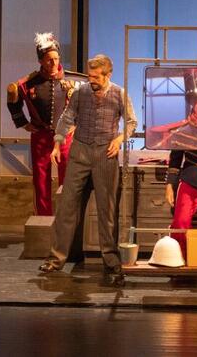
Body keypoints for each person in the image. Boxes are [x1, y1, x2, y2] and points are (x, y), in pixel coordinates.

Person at [39, 54, 136, 287]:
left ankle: (111, 262)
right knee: (67, 206)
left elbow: (132, 122)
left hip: (105, 154)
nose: (91, 80)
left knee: (107, 210)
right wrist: (57, 143)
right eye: (90, 76)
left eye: (96, 77)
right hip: (80, 152)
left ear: (108, 75)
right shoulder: (81, 92)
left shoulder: (120, 94)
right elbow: (67, 116)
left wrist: (119, 139)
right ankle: (56, 259)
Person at [7, 32, 76, 216]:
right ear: (40, 61)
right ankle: (43, 220)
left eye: (56, 58)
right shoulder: (28, 83)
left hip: (65, 137)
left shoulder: (72, 80)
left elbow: (83, 104)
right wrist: (23, 123)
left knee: (67, 179)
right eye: (49, 60)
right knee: (41, 180)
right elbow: (12, 100)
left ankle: (65, 218)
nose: (53, 63)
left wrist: (75, 125)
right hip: (41, 137)